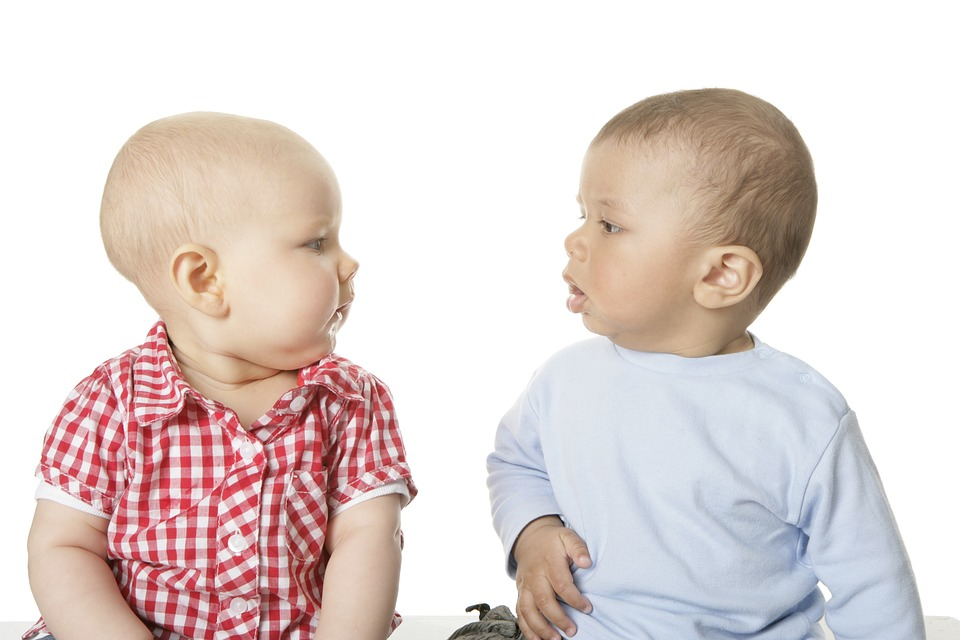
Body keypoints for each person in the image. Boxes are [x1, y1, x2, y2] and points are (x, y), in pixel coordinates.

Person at [486, 89, 924, 639]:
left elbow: (873, 582)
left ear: (721, 275)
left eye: (610, 225)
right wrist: (533, 531)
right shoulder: (564, 379)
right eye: (582, 215)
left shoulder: (801, 417)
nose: (574, 240)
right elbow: (517, 465)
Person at [25, 112, 417, 640]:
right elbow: (64, 546)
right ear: (206, 280)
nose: (350, 264)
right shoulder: (112, 402)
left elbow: (370, 535)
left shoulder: (348, 401)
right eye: (317, 242)